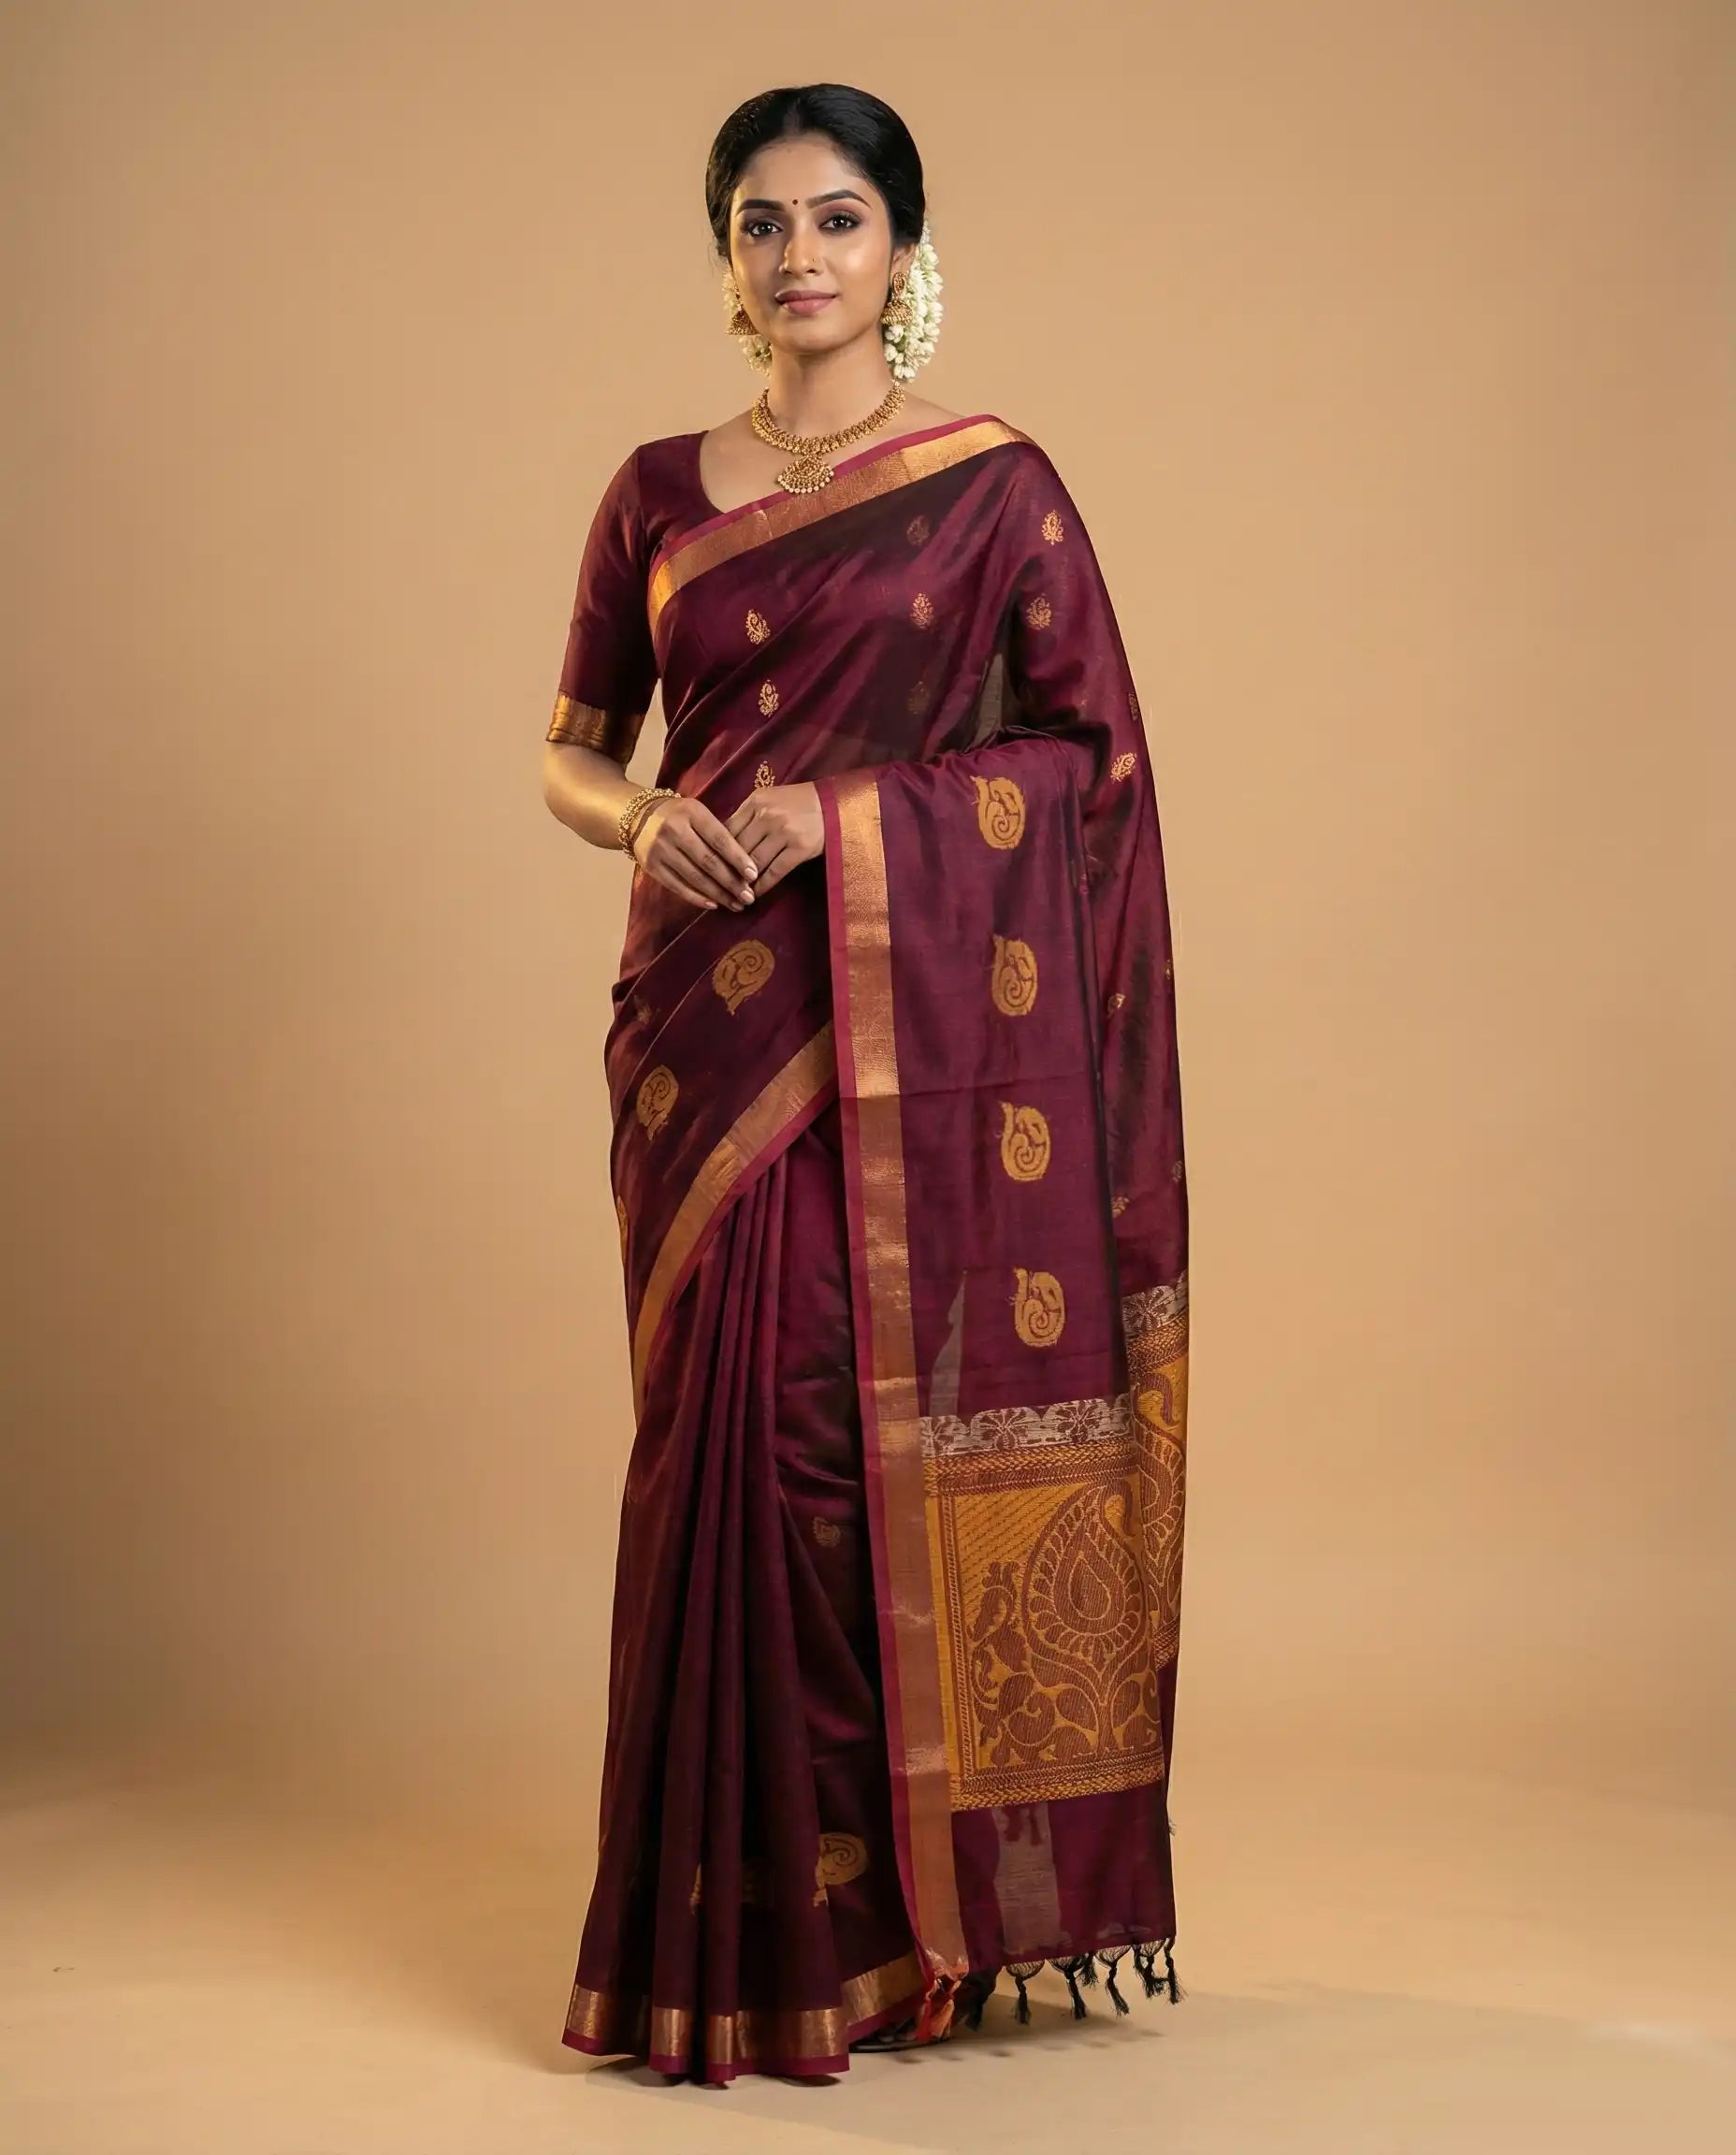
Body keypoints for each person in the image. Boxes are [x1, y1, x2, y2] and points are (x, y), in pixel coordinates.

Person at [541, 82, 1190, 2087]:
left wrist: (851, 822)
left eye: (838, 220)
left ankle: (897, 1935)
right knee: (703, 1461)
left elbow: (1086, 768)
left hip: (890, 1025)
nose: (799, 256)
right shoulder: (657, 489)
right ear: (724, 257)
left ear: (903, 252)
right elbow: (565, 748)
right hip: (701, 1028)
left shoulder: (994, 488)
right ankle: (711, 1938)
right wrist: (648, 824)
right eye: (762, 223)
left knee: (825, 1433)